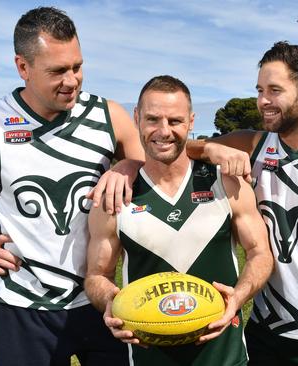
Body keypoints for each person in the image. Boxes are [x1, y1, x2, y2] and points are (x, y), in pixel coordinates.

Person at [92, 42, 298, 366]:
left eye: (274, 90)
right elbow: (170, 145)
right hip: (264, 329)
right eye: (259, 89)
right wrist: (130, 164)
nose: (263, 101)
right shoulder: (254, 143)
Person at [0, 7, 144, 365]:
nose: (72, 81)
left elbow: (160, 167)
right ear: (23, 67)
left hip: (104, 301)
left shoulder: (109, 116)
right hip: (21, 305)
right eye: (57, 71)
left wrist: (130, 163)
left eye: (77, 67)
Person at [84, 75, 273, 366]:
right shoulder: (115, 196)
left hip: (225, 359)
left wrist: (237, 297)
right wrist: (111, 301)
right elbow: (97, 275)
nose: (163, 131)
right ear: (136, 118)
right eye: (152, 119)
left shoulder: (225, 183)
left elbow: (260, 252)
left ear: (191, 121)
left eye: (175, 121)